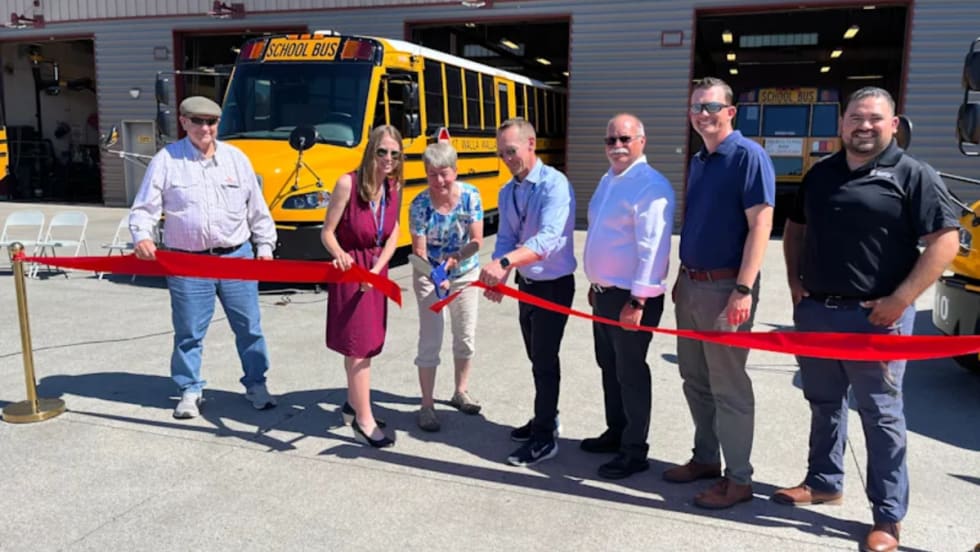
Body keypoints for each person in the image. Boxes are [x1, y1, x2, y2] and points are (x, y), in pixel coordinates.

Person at [777, 87, 959, 552]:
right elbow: (796, 228)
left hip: (876, 320)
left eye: (875, 118)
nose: (864, 125)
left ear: (893, 124)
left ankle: (887, 516)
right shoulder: (821, 175)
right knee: (823, 403)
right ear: (841, 124)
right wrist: (795, 282)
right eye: (856, 117)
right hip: (817, 313)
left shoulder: (913, 175)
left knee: (881, 418)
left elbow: (945, 241)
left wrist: (901, 299)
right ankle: (823, 481)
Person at [129, 96, 278, 419]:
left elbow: (258, 210)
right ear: (183, 122)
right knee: (188, 332)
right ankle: (189, 389)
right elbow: (145, 208)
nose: (205, 128)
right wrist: (141, 235)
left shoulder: (237, 160)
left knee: (249, 327)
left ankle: (256, 383)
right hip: (188, 262)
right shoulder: (167, 160)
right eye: (197, 121)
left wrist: (265, 248)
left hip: (236, 257)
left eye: (211, 122)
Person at [664, 77, 775, 509]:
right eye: (696, 108)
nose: (702, 115)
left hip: (728, 287)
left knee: (728, 387)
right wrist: (682, 274)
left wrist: (743, 289)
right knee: (695, 379)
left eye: (711, 107)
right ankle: (706, 459)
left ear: (731, 112)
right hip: (693, 284)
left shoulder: (748, 157)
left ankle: (739, 479)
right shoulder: (701, 159)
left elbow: (760, 225)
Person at [479, 118, 577, 467]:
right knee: (536, 358)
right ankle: (544, 416)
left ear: (531, 144)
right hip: (527, 284)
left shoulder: (555, 185)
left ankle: (544, 437)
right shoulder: (508, 192)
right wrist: (501, 274)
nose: (507, 159)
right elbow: (506, 236)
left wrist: (504, 262)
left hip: (554, 286)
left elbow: (547, 240)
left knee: (546, 360)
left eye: (512, 151)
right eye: (501, 153)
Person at [581, 113, 674, 479]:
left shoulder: (650, 185)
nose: (617, 146)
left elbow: (653, 248)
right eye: (611, 140)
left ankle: (635, 450)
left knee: (631, 372)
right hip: (605, 294)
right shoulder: (610, 179)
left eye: (625, 139)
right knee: (610, 367)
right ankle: (616, 431)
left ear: (642, 141)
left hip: (631, 299)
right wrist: (596, 282)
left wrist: (638, 301)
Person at [321, 125, 403, 449]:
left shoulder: (393, 187)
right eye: (382, 151)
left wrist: (379, 268)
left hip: (374, 272)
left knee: (366, 346)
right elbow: (327, 232)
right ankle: (363, 422)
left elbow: (394, 230)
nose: (388, 159)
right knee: (358, 349)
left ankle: (353, 405)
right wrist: (341, 255)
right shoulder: (347, 183)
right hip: (352, 273)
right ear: (371, 150)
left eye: (394, 154)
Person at [409, 142, 485, 432]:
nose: (439, 181)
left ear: (455, 170)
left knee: (465, 334)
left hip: (464, 271)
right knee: (431, 337)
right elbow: (419, 249)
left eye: (444, 173)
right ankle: (426, 405)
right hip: (430, 274)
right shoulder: (419, 204)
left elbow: (477, 239)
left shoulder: (470, 196)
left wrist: (455, 259)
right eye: (432, 175)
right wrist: (436, 273)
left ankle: (460, 391)